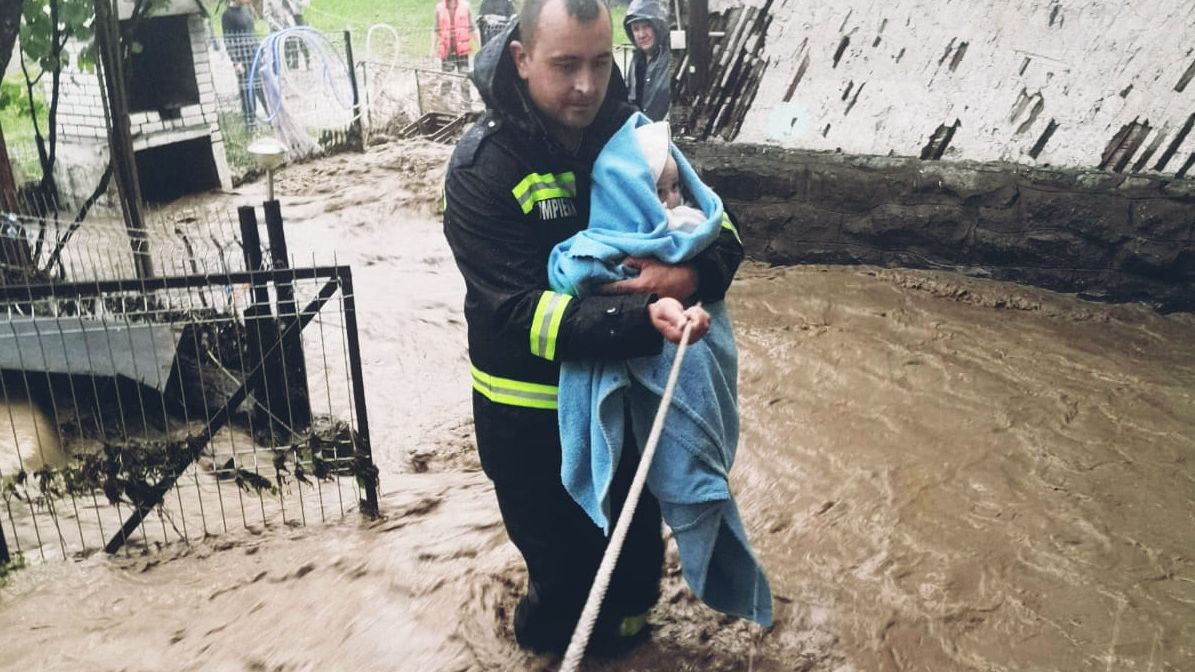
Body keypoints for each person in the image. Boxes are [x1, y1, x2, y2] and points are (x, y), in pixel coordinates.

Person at [442, 0, 744, 656]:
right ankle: (545, 642)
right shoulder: (483, 167)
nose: (586, 84)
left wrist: (686, 281)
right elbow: (519, 312)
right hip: (528, 417)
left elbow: (717, 230)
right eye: (565, 65)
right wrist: (642, 316)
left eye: (600, 63)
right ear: (521, 60)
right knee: (567, 583)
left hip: (625, 399)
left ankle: (632, 644)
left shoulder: (636, 138)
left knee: (635, 579)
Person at [222, 0, 268, 128]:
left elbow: (252, 33)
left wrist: (261, 53)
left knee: (261, 88)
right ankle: (251, 124)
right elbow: (228, 40)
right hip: (243, 58)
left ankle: (271, 119)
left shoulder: (246, 10)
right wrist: (236, 62)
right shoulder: (228, 15)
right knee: (248, 91)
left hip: (254, 55)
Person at [623, 0, 671, 122]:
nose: (641, 35)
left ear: (657, 27)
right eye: (636, 29)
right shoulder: (637, 59)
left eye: (646, 26)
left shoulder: (670, 58)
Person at [433, 0, 477, 100]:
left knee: (464, 77)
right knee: (446, 78)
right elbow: (436, 30)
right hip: (446, 49)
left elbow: (473, 28)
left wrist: (480, 45)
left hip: (462, 50)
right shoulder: (439, 8)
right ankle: (443, 102)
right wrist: (432, 49)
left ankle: (467, 102)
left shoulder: (466, 6)